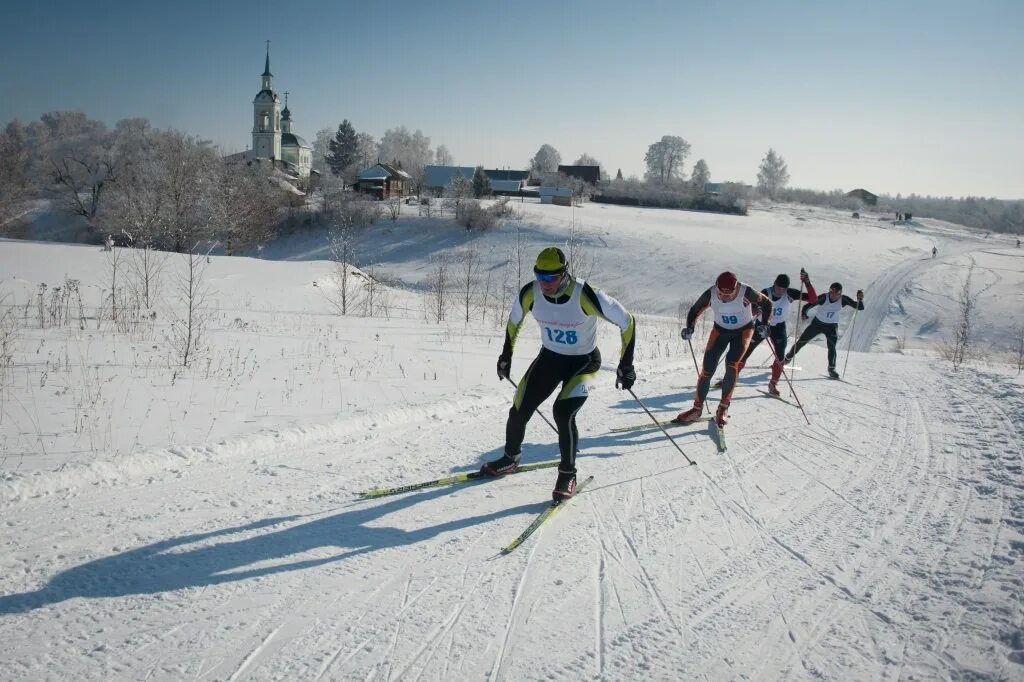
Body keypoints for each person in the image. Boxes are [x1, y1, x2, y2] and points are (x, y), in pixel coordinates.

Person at [481, 247, 636, 502]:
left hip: (583, 363)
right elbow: (513, 322)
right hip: (550, 358)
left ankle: (568, 473)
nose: (545, 284)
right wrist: (505, 356)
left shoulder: (585, 294)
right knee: (519, 408)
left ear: (564, 274)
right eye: (540, 277)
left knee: (563, 412)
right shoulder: (531, 293)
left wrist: (626, 365)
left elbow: (628, 321)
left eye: (551, 278)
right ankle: (510, 458)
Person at [676, 271, 771, 427]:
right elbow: (695, 310)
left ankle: (723, 408)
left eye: (730, 294)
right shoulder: (711, 293)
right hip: (720, 331)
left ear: (736, 288)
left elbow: (766, 304)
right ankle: (696, 409)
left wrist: (765, 325)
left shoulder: (746, 292)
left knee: (731, 364)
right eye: (721, 293)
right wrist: (690, 328)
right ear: (717, 288)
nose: (725, 297)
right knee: (707, 369)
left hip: (743, 331)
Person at [736, 269, 817, 396]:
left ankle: (773, 383)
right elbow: (752, 308)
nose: (780, 291)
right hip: (761, 326)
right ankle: (731, 377)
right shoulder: (765, 292)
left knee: (780, 356)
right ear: (774, 284)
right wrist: (755, 310)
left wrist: (807, 282)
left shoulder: (790, 293)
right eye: (778, 287)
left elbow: (813, 299)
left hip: (779, 327)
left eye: (783, 289)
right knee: (745, 351)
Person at [784, 282, 864, 379]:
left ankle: (831, 369)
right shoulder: (824, 297)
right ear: (829, 291)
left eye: (836, 293)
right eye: (832, 292)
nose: (833, 295)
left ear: (840, 293)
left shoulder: (843, 299)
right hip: (817, 324)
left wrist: (860, 299)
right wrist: (804, 313)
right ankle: (788, 358)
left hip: (831, 327)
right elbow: (808, 305)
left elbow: (859, 307)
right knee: (802, 341)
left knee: (832, 347)